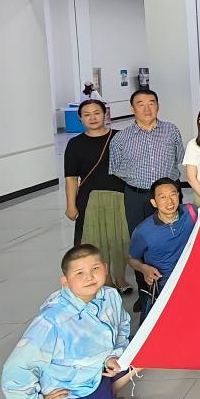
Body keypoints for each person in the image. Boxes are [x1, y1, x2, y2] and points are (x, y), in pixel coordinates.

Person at [1, 244, 139, 399]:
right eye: (79, 273)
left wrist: (114, 355)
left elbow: (122, 327)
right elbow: (15, 368)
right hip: (67, 390)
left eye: (95, 269)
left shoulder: (110, 295)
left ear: (105, 268)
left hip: (96, 372)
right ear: (65, 282)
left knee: (148, 351)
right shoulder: (53, 320)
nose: (89, 277)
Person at [64, 99, 130, 291]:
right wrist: (71, 205)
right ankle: (106, 279)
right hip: (89, 198)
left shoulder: (120, 137)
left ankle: (121, 278)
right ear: (80, 119)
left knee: (121, 238)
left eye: (97, 113)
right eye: (87, 115)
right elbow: (71, 177)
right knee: (94, 239)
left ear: (105, 114)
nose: (92, 118)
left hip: (120, 195)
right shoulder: (75, 144)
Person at [108, 89, 184, 236]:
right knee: (140, 235)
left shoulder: (172, 131)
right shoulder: (120, 138)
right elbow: (116, 169)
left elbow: (179, 157)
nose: (147, 109)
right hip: (137, 197)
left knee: (174, 233)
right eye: (141, 104)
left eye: (151, 103)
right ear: (132, 109)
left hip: (169, 195)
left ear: (158, 106)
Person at [128, 178, 196, 323]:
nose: (169, 201)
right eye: (163, 197)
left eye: (173, 194)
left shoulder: (191, 212)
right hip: (166, 285)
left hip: (195, 277)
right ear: (154, 203)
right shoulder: (143, 231)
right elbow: (132, 259)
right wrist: (144, 269)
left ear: (179, 195)